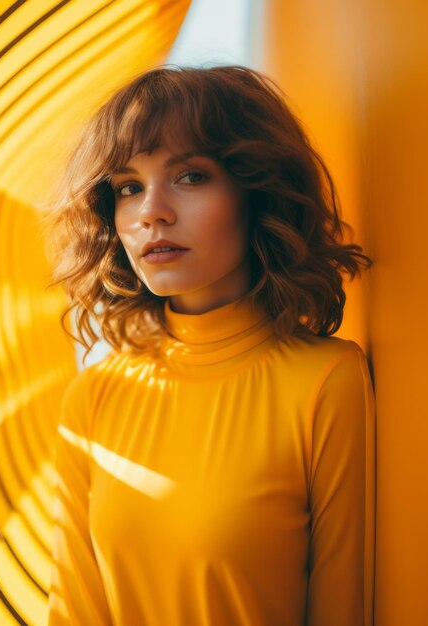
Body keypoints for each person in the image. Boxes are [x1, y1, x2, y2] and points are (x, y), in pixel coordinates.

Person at [46, 65, 375, 626]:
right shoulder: (94, 397)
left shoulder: (327, 382)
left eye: (191, 176)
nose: (151, 211)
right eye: (129, 187)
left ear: (257, 195)